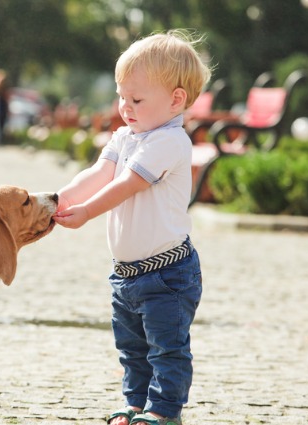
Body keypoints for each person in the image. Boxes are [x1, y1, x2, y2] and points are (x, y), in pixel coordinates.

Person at [53, 30, 211, 425]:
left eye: (136, 99)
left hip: (167, 274)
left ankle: (164, 410)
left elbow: (126, 185)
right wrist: (60, 199)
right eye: (122, 96)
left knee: (166, 348)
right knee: (132, 348)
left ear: (176, 99)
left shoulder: (170, 142)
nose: (125, 107)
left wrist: (86, 212)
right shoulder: (126, 136)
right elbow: (99, 172)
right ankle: (136, 404)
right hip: (126, 275)